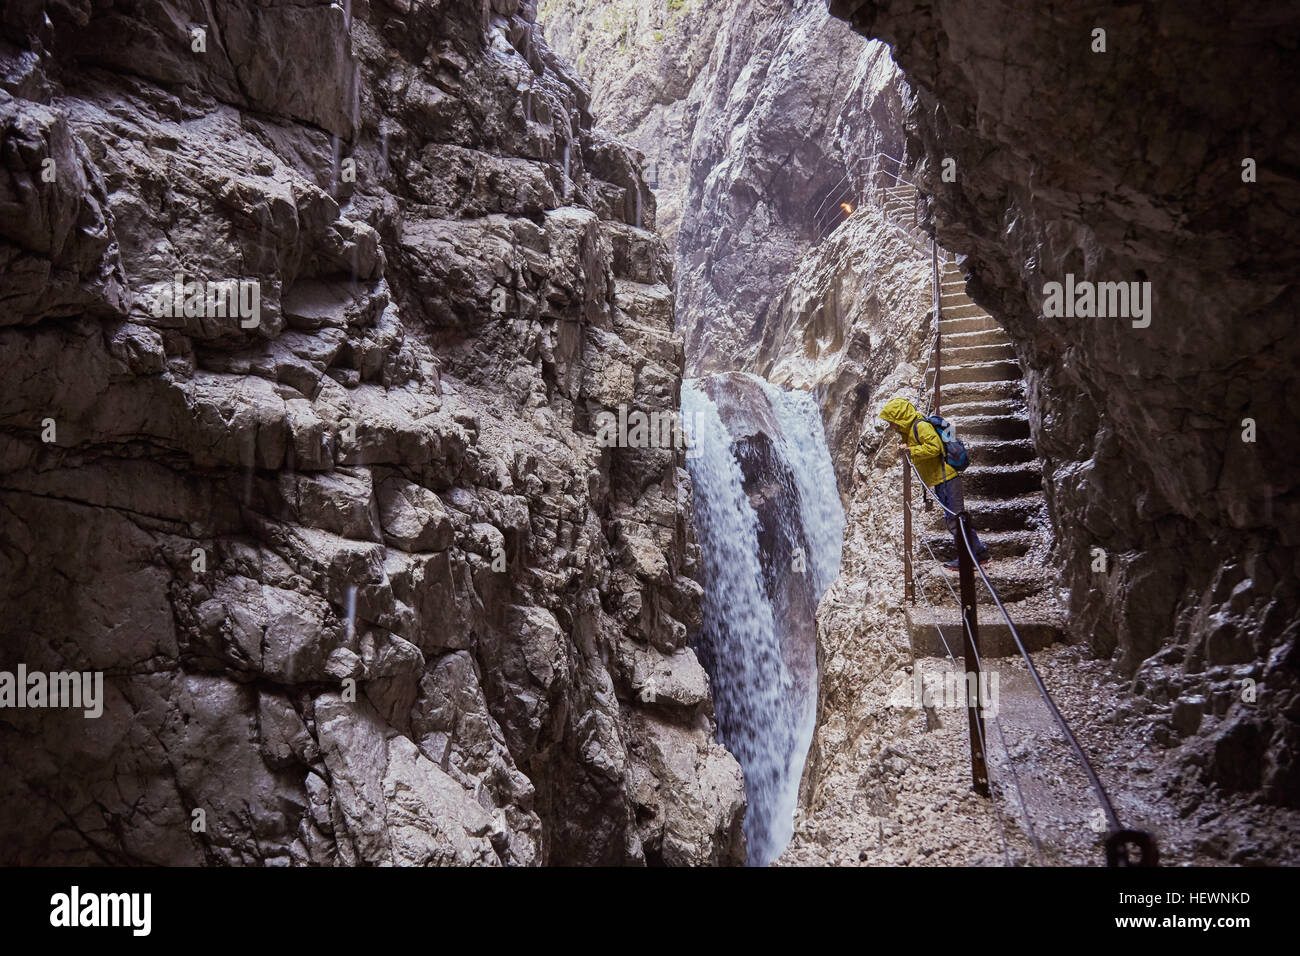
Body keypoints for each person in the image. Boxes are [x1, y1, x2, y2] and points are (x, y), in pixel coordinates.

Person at [879, 396, 990, 570]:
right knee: (954, 517)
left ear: (901, 417)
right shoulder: (911, 429)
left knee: (956, 519)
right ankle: (979, 552)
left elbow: (935, 448)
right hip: (941, 480)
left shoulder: (920, 426)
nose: (891, 426)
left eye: (892, 421)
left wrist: (911, 450)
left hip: (947, 478)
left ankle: (968, 559)